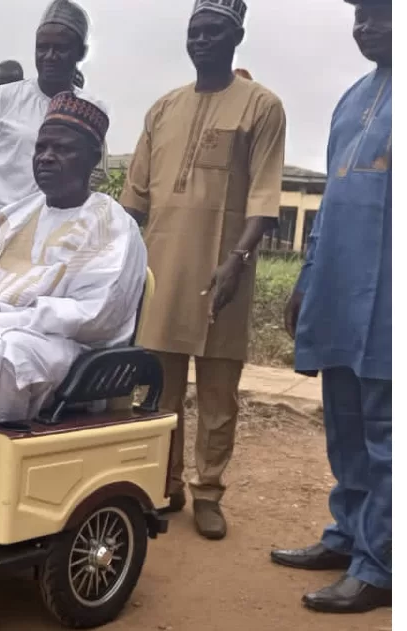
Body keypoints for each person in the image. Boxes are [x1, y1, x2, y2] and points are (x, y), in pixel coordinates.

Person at [0, 91, 147, 540]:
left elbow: (94, 315)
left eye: (63, 148)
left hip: (67, 351)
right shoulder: (13, 215)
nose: (47, 158)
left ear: (93, 156)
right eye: (41, 147)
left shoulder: (114, 226)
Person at [119, 0, 286, 540]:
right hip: (161, 271)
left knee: (217, 392)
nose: (202, 40)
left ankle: (208, 491)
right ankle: (163, 482)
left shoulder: (261, 106)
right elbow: (134, 202)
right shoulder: (163, 108)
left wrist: (236, 260)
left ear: (236, 35)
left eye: (214, 31)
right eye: (195, 31)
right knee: (160, 390)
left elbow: (264, 195)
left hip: (224, 271)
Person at [270, 0, 391, 614]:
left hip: (390, 305)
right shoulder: (351, 99)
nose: (366, 26)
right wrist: (305, 283)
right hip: (340, 293)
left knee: (386, 434)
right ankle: (347, 538)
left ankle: (381, 564)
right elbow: (331, 208)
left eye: (380, 13)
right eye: (359, 16)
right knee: (344, 427)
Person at [0, 0, 107, 241]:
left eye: (60, 48)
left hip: (53, 236)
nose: (49, 56)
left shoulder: (87, 108)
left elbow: (90, 173)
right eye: (42, 47)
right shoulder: (3, 98)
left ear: (81, 53)